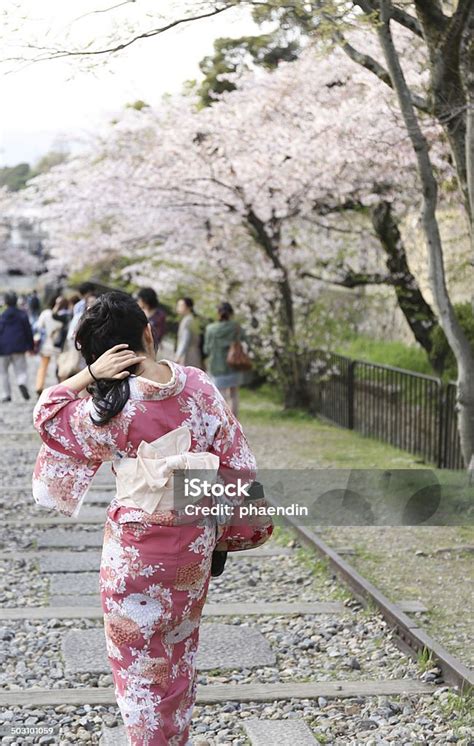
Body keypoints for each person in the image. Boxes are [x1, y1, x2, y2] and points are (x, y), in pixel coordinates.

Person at [31, 291, 272, 745]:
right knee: (179, 656)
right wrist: (229, 536)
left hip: (132, 555)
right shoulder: (199, 387)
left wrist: (87, 376)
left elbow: (47, 418)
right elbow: (239, 466)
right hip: (192, 548)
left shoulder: (110, 405)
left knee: (136, 668)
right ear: (148, 332)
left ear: (101, 355)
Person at [204, 302, 248, 417]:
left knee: (220, 395)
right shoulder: (236, 327)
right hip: (234, 364)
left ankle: (224, 420)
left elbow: (206, 349)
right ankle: (235, 420)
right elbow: (246, 342)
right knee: (234, 394)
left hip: (216, 366)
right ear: (231, 313)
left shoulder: (211, 329)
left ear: (218, 313)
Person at [0, 291, 34, 402]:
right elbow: (28, 331)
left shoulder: (2, 315)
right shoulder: (22, 314)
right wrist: (31, 346)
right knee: (21, 370)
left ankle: (6, 395)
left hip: (3, 348)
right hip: (19, 346)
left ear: (5, 302)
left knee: (3, 372)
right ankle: (21, 382)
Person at [34, 296, 67, 396]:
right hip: (58, 345)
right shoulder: (65, 315)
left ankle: (39, 386)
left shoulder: (45, 313)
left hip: (46, 344)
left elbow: (38, 326)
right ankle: (61, 387)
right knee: (60, 366)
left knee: (43, 366)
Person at [175, 297, 202, 368]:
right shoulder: (191, 319)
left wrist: (178, 355)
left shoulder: (188, 320)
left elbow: (185, 340)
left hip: (188, 356)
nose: (178, 308)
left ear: (188, 307)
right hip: (192, 354)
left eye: (181, 305)